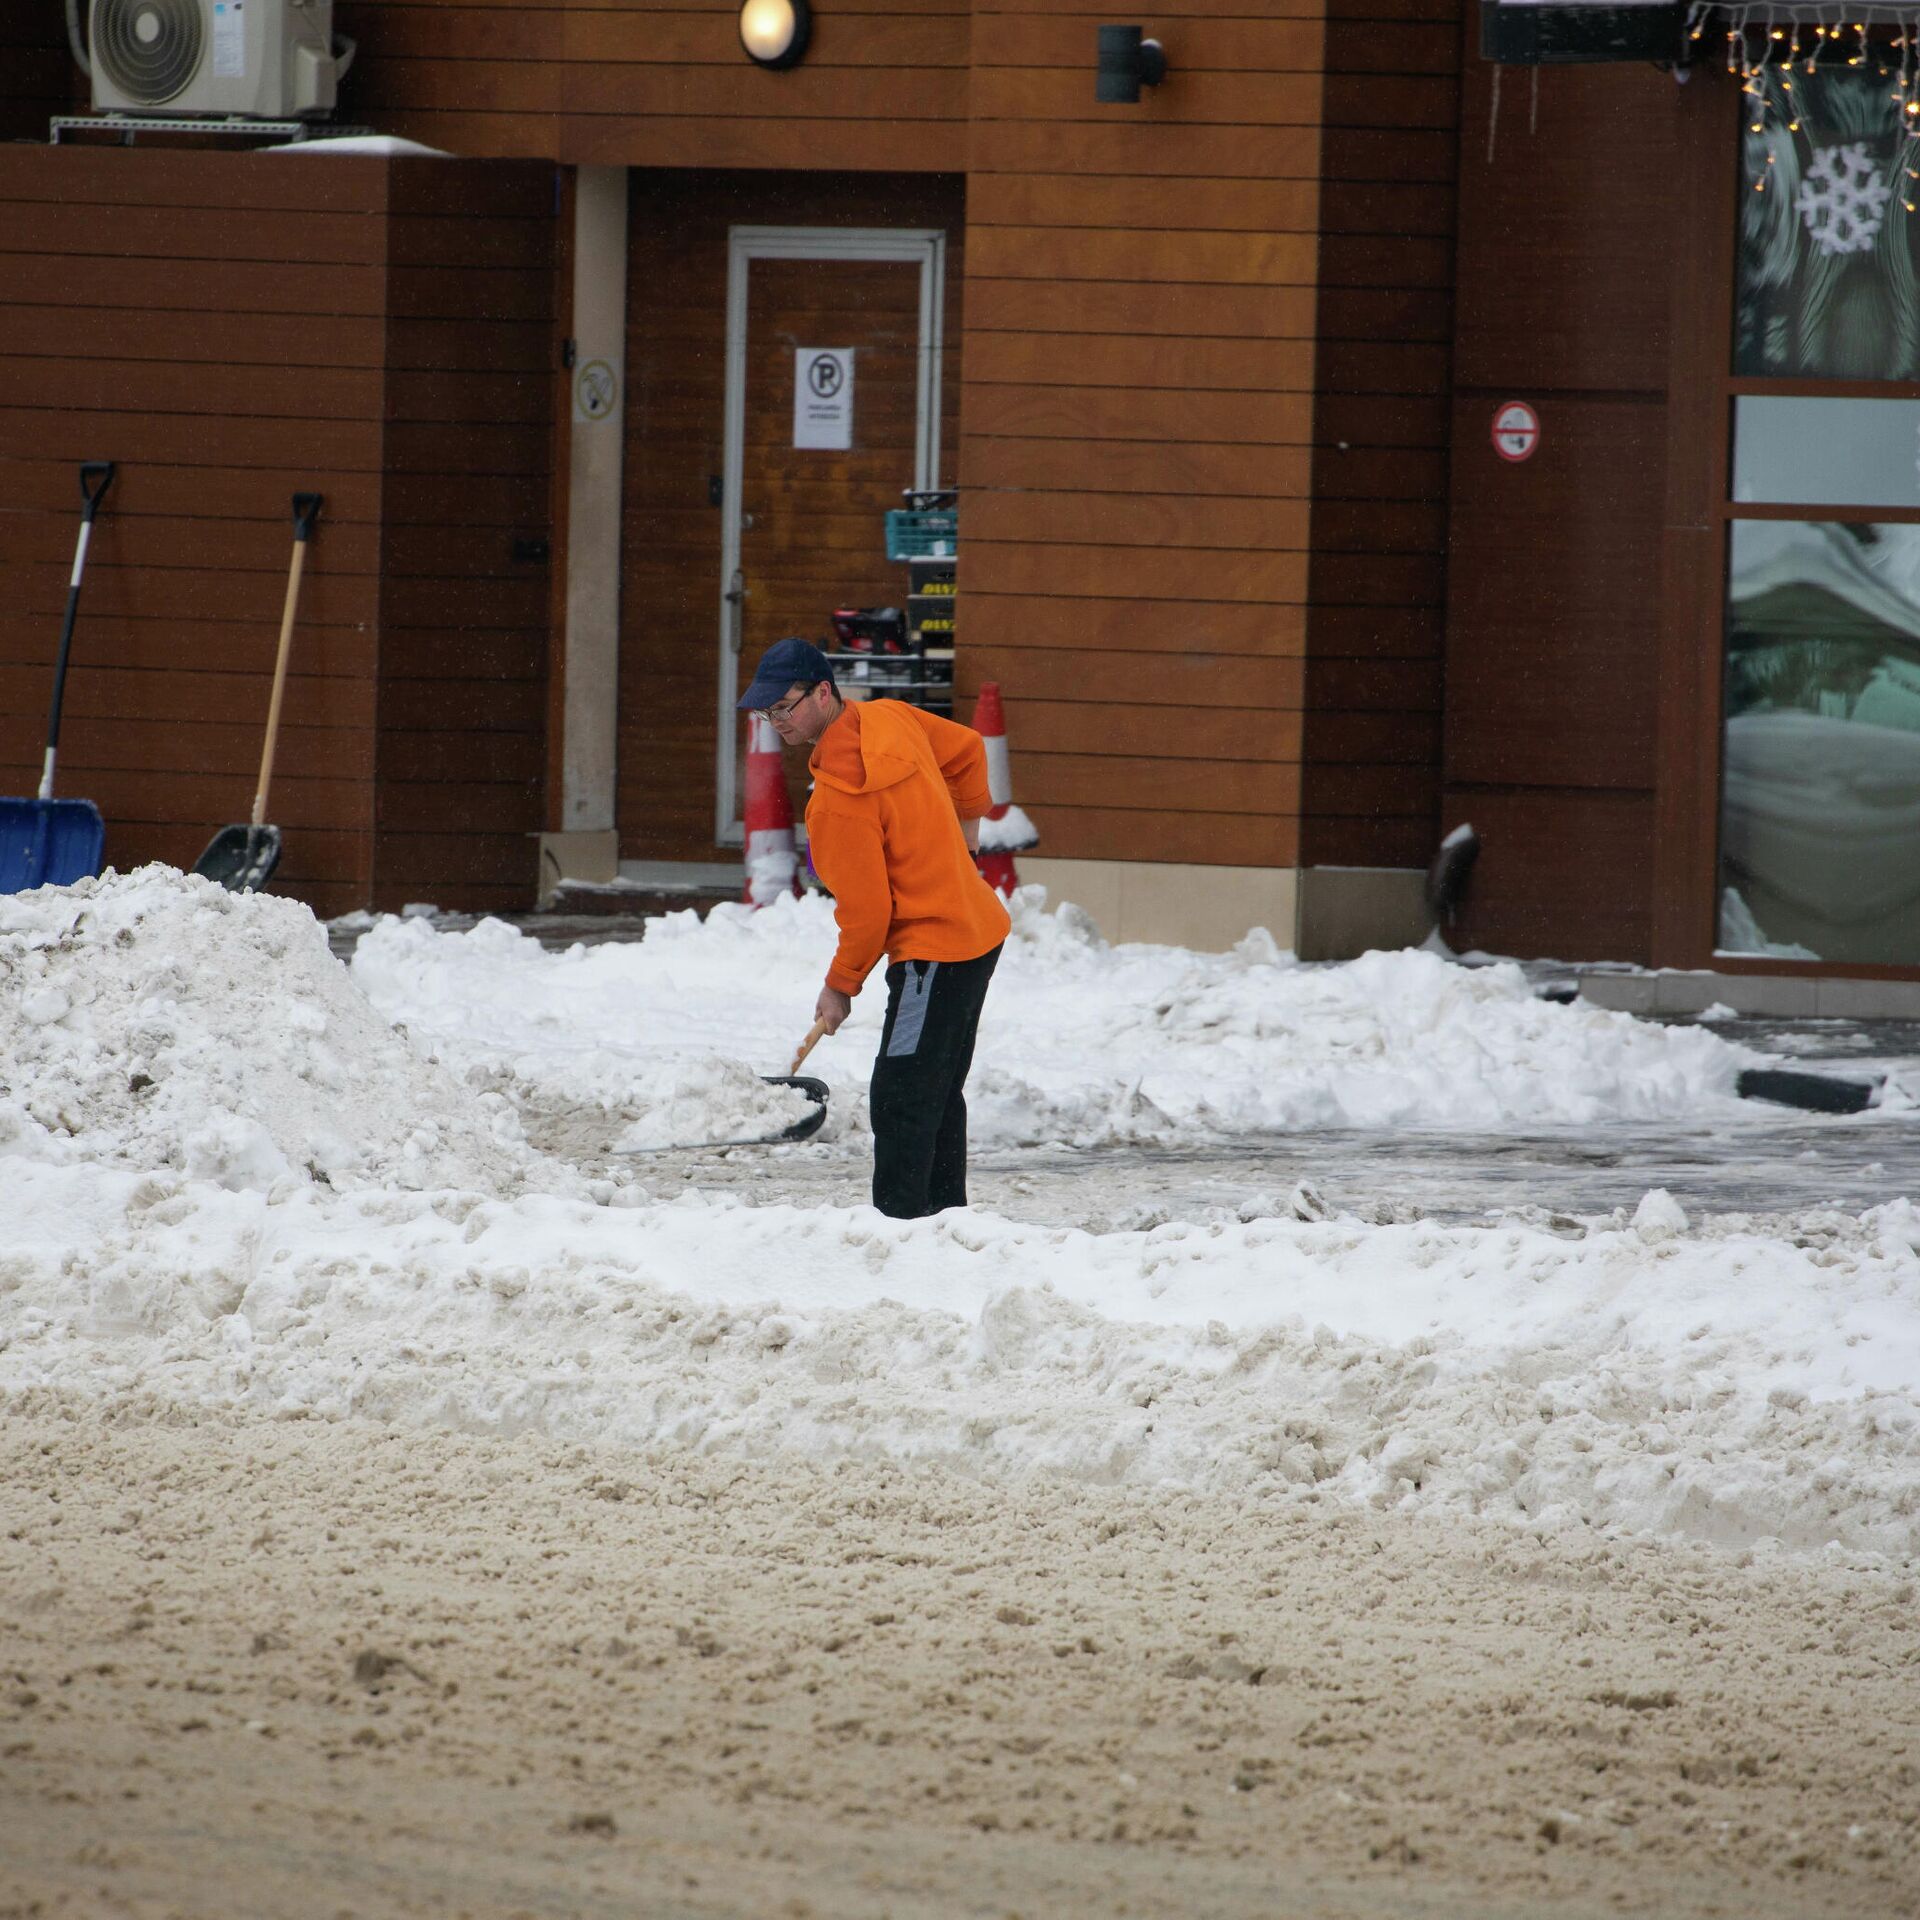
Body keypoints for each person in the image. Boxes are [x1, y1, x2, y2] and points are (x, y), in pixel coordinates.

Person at [739, 636, 1010, 1219]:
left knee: (902, 1096)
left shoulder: (836, 802)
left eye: (785, 707)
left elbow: (868, 915)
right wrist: (966, 845)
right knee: (935, 1088)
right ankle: (944, 1221)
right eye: (767, 712)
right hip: (977, 932)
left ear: (824, 692)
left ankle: (902, 1230)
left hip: (932, 951)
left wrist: (840, 985)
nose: (776, 722)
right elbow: (966, 750)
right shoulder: (891, 719)